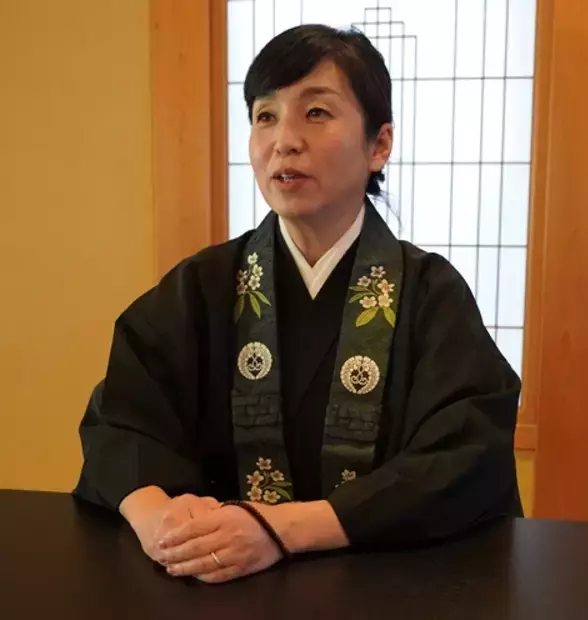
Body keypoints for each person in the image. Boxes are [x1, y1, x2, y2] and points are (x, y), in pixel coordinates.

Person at [74, 24, 522, 584]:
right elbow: (120, 422)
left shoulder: (431, 295)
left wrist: (281, 529)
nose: (284, 140)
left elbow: (464, 456)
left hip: (387, 587)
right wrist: (161, 522)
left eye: (316, 112)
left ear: (379, 145)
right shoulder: (203, 286)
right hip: (225, 585)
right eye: (265, 115)